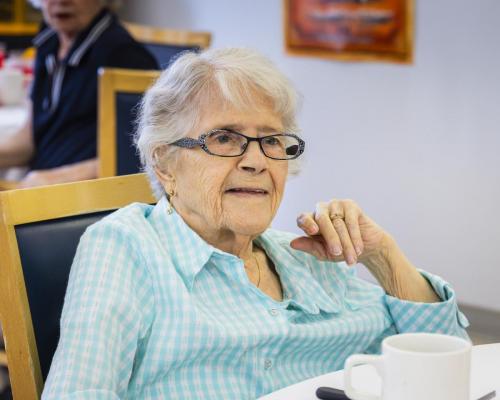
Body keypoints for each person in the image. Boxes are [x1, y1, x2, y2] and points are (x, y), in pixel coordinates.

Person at [42, 48, 469, 399]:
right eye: (224, 138)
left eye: (271, 140)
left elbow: (443, 362)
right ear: (165, 162)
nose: (255, 161)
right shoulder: (127, 247)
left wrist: (382, 255)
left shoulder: (307, 256)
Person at [0, 0, 158, 188]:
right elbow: (30, 140)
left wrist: (50, 181)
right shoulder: (49, 41)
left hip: (86, 203)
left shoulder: (125, 56)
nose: (61, 1)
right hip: (40, 189)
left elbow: (137, 157)